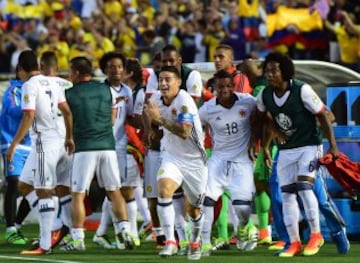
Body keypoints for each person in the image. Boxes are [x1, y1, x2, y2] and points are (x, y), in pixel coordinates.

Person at [254, 51, 339, 257]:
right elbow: (262, 116)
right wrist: (269, 140)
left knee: (303, 187)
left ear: (286, 71)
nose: (270, 74)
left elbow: (324, 116)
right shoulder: (265, 95)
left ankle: (316, 235)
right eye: (267, 71)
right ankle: (294, 243)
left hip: (309, 146)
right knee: (287, 194)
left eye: (274, 70)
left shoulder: (303, 90)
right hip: (286, 149)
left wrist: (333, 147)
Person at [5, 50, 74, 255]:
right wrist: (70, 137)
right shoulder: (55, 81)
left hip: (45, 142)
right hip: (60, 142)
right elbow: (67, 111)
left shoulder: (29, 85)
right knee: (25, 185)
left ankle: (45, 244)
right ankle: (61, 225)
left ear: (20, 70)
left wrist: (14, 144)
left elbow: (28, 116)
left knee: (44, 190)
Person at [64, 56, 134, 251]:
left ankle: (77, 239)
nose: (69, 75)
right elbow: (112, 118)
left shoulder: (69, 93)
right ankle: (125, 230)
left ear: (77, 73)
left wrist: (70, 136)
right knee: (114, 191)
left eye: (70, 71)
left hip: (85, 147)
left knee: (77, 194)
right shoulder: (106, 90)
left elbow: (68, 118)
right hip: (108, 146)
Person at [143, 66, 207, 260]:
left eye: (168, 80)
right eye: (161, 79)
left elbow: (185, 132)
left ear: (178, 83)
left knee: (194, 210)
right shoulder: (155, 99)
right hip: (171, 155)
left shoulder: (184, 100)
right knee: (163, 190)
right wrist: (149, 129)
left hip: (194, 160)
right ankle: (171, 241)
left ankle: (195, 242)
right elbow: (147, 111)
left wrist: (159, 120)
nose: (163, 84)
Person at [199, 70, 258, 256]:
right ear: (214, 88)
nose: (224, 90)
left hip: (243, 161)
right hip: (218, 159)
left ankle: (242, 229)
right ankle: (206, 242)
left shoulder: (248, 101)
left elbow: (263, 118)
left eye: (228, 86)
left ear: (233, 86)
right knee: (207, 200)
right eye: (220, 86)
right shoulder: (207, 109)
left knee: (242, 208)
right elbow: (193, 127)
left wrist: (257, 143)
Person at [92, 52, 138, 249]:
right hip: (104, 146)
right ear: (104, 70)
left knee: (116, 189)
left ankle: (102, 233)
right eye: (111, 66)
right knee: (115, 189)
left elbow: (129, 118)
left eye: (119, 66)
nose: (116, 70)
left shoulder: (127, 91)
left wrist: (147, 122)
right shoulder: (99, 91)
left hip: (120, 146)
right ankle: (122, 232)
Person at [0, 65, 31, 245]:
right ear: (19, 71)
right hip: (12, 142)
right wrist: (31, 109)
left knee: (34, 187)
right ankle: (10, 228)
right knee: (13, 183)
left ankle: (17, 225)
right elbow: (13, 111)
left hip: (31, 144)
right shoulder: (12, 90)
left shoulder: (36, 87)